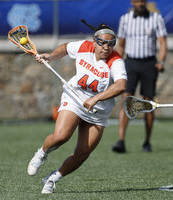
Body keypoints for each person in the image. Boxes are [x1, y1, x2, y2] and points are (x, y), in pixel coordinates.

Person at [27, 21, 127, 194]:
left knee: (82, 153)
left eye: (111, 44)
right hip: (74, 98)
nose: (106, 47)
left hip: (98, 111)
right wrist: (51, 56)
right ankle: (41, 153)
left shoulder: (115, 60)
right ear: (95, 42)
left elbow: (120, 85)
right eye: (102, 43)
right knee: (61, 137)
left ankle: (53, 178)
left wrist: (96, 98)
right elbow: (65, 48)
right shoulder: (84, 47)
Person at [112, 0, 167, 153]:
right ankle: (121, 140)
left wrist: (161, 61)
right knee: (126, 99)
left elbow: (162, 42)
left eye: (142, 1)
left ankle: (147, 141)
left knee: (148, 102)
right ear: (132, 2)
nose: (140, 4)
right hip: (130, 63)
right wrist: (116, 64)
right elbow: (121, 44)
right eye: (137, 1)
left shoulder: (156, 18)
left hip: (149, 63)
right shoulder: (125, 19)